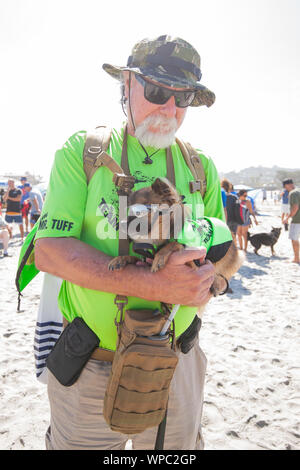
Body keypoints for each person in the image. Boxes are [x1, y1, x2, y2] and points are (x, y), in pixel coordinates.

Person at [34, 35, 225, 451]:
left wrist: (214, 277)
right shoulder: (82, 152)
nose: (170, 108)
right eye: (157, 91)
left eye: (184, 97)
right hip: (92, 366)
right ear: (126, 85)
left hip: (179, 361)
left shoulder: (201, 166)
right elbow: (48, 250)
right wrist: (153, 285)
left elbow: (225, 250)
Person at [282, 179, 300, 264]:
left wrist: (287, 218)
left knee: (294, 239)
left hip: (297, 220)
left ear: (287, 185)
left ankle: (296, 258)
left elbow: (295, 207)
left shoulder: (293, 193)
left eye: (285, 188)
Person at [221, 179, 238, 243]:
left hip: (225, 220)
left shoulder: (220, 196)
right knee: (233, 238)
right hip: (234, 221)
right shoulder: (234, 197)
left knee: (225, 239)